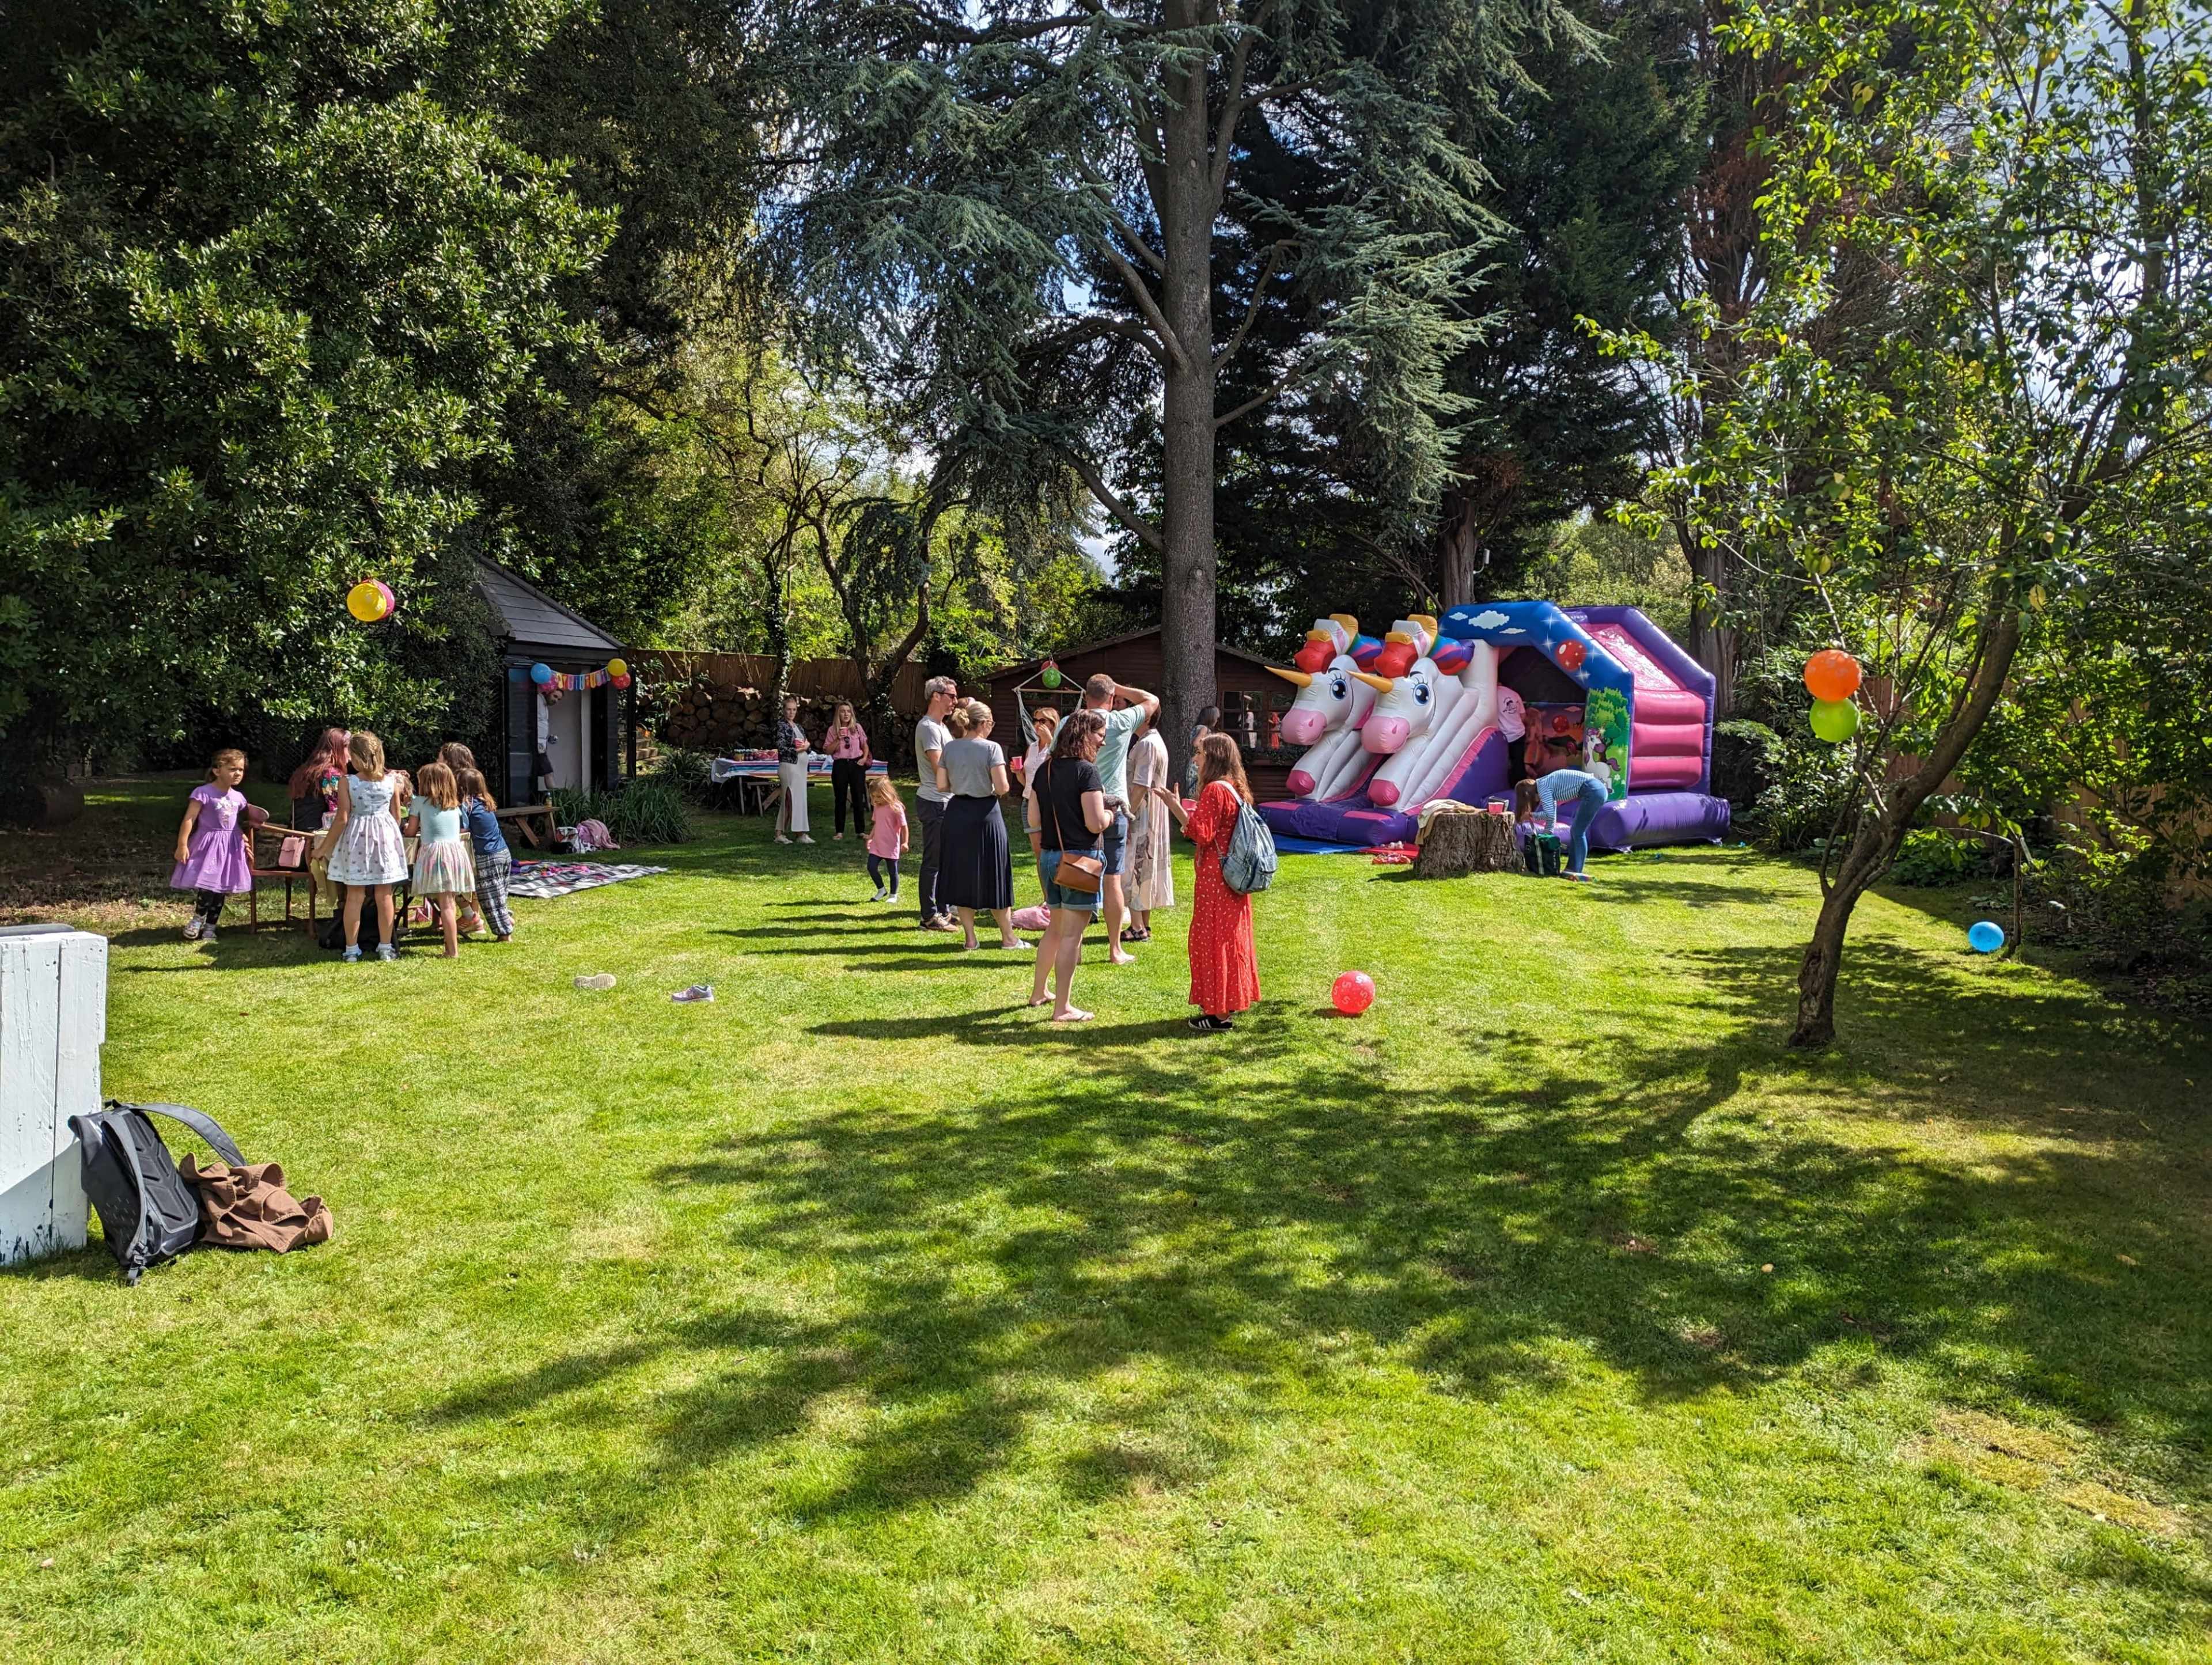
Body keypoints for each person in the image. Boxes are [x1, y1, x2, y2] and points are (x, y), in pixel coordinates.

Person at [1155, 733, 1262, 1033]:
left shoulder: (1215, 790)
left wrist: (1174, 806)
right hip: (1233, 880)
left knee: (1213, 941)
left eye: (1200, 753)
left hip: (1217, 880)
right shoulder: (1234, 788)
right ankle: (1225, 1005)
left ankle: (1218, 1015)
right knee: (1229, 940)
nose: (1195, 759)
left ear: (1213, 757)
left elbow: (1201, 833)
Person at [1025, 709, 1112, 1023]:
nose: (1103, 742)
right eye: (1100, 736)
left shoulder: (1044, 769)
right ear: (1086, 736)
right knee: (1072, 936)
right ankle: (1062, 1007)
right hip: (1079, 862)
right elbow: (1095, 823)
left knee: (1056, 928)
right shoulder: (1087, 772)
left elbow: (1034, 820)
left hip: (1050, 858)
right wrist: (1110, 815)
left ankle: (1039, 991)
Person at [1080, 672, 1161, 966]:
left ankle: (1074, 947)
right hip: (1114, 808)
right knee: (1112, 878)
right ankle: (1115, 949)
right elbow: (1152, 701)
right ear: (1112, 698)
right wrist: (1120, 688)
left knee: (1080, 873)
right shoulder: (1121, 721)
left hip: (1080, 807)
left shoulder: (1071, 723)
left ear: (1086, 695)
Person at [934, 699, 1024, 951]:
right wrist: (984, 787)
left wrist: (963, 786)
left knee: (963, 874)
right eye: (992, 723)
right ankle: (1008, 938)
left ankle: (970, 939)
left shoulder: (950, 748)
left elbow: (942, 785)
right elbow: (1004, 787)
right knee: (995, 874)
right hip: (985, 813)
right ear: (984, 723)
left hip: (957, 812)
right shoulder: (991, 748)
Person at [315, 730, 408, 962]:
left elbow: (342, 818)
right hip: (384, 839)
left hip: (357, 839)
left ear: (356, 757)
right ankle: (386, 947)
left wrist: (324, 848)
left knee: (354, 895)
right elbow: (396, 816)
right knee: (385, 895)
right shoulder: (391, 782)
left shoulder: (348, 782)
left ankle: (351, 949)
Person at [171, 748, 257, 942]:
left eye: (241, 770)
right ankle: (198, 919)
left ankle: (211, 927)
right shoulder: (203, 793)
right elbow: (189, 819)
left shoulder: (239, 798)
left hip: (229, 849)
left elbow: (235, 823)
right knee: (208, 886)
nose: (238, 774)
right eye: (233, 769)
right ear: (218, 771)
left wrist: (242, 837)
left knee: (221, 888)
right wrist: (182, 845)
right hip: (208, 846)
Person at [404, 761, 475, 958]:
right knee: (449, 902)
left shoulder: (419, 802)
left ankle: (452, 951)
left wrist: (406, 829)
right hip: (455, 853)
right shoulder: (455, 805)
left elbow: (410, 831)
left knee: (446, 905)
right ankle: (451, 945)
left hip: (436, 854)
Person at [912, 674, 959, 930]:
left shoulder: (942, 726)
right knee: (933, 861)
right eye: (951, 696)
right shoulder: (929, 727)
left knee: (944, 861)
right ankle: (929, 917)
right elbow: (940, 766)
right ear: (936, 697)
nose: (955, 701)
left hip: (945, 801)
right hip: (935, 802)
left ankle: (943, 910)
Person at [1123, 724, 1174, 940]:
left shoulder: (1147, 744)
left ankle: (1136, 927)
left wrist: (1128, 815)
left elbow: (1141, 785)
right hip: (1151, 812)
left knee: (1135, 865)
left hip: (1142, 813)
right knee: (1145, 866)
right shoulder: (1155, 741)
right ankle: (1144, 924)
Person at [456, 764, 515, 941]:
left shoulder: (468, 805)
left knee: (490, 899)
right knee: (500, 896)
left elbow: (462, 829)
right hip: (503, 852)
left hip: (487, 857)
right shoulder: (486, 802)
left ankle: (505, 935)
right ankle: (507, 920)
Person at [1520, 767, 1608, 882]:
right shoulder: (1546, 784)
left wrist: (1531, 816)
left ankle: (1576, 870)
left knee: (1578, 832)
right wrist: (1546, 837)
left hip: (1593, 791)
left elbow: (1549, 815)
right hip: (1595, 790)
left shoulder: (1543, 787)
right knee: (1577, 831)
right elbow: (1552, 818)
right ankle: (1571, 868)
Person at [823, 701, 873, 840]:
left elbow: (865, 745)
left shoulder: (857, 728)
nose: (846, 714)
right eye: (843, 711)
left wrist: (863, 758)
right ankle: (839, 831)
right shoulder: (833, 730)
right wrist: (838, 739)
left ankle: (861, 831)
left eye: (848, 711)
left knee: (858, 797)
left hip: (856, 764)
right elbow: (828, 751)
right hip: (840, 765)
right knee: (840, 798)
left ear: (852, 713)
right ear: (838, 714)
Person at [773, 695, 815, 845]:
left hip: (801, 769)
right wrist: (799, 749)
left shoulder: (799, 727)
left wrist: (806, 748)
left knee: (800, 800)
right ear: (783, 710)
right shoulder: (781, 726)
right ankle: (779, 834)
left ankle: (801, 833)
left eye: (794, 710)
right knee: (789, 799)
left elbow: (806, 747)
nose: (791, 712)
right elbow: (782, 748)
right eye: (789, 709)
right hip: (789, 767)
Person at [864, 773, 909, 902]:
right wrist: (870, 838)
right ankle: (881, 890)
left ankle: (893, 895)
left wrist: (905, 842)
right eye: (873, 797)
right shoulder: (877, 807)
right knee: (871, 867)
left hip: (891, 845)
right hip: (877, 844)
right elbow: (877, 823)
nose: (876, 800)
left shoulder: (896, 807)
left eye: (879, 796)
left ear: (887, 793)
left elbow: (904, 826)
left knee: (892, 872)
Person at [1184, 704, 1221, 797]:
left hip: (1193, 763)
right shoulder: (1204, 729)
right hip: (1198, 764)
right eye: (1216, 717)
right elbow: (1196, 743)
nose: (1217, 720)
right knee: (1198, 790)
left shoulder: (1197, 728)